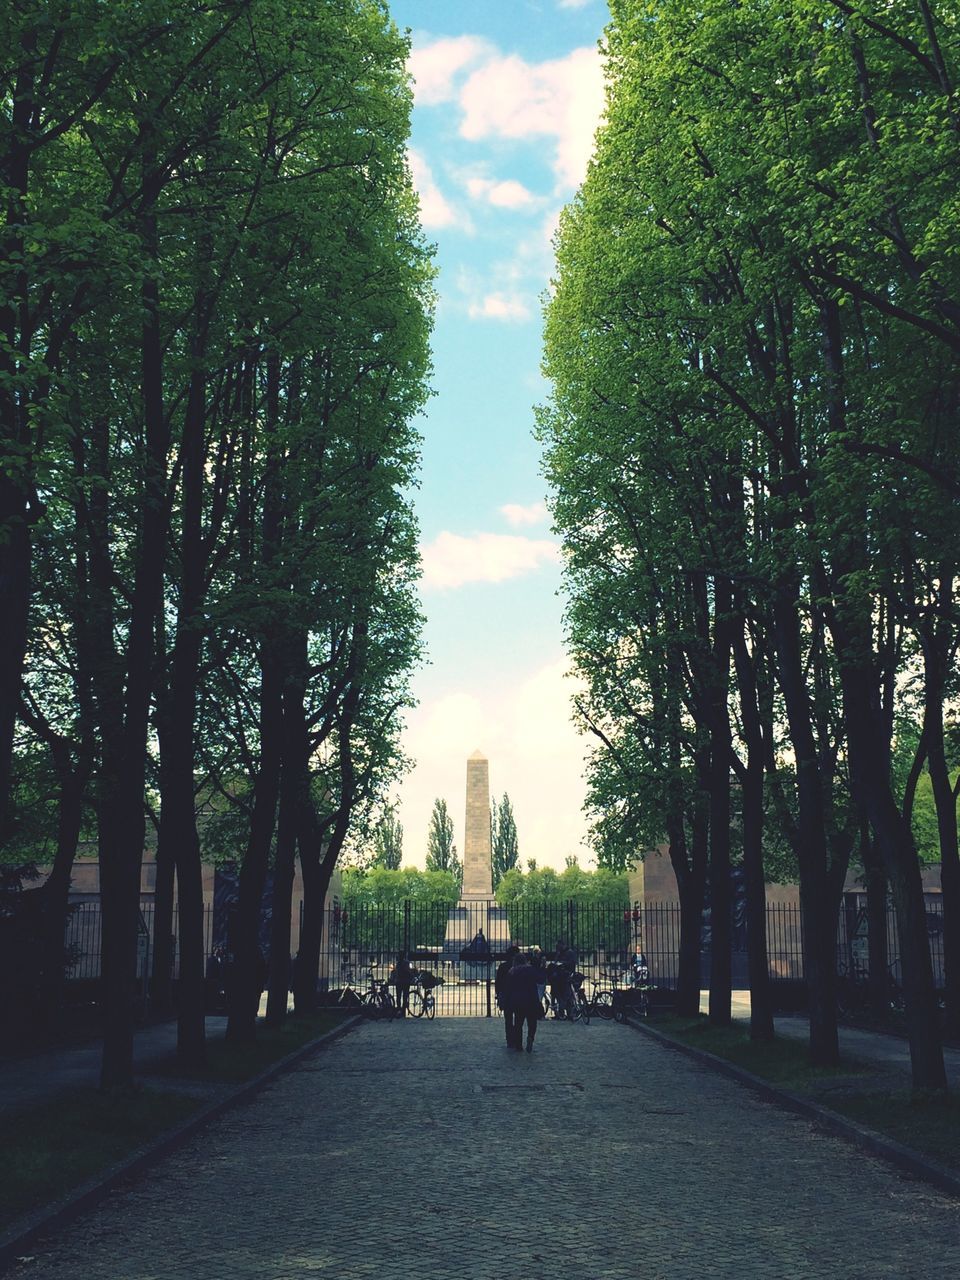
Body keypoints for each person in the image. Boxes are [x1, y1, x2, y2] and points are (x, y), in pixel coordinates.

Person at [505, 950, 543, 1052]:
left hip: (517, 1000)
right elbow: (540, 979)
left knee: (518, 1023)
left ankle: (518, 1045)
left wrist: (507, 1000)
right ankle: (530, 1037)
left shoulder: (512, 971)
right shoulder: (530, 969)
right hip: (531, 999)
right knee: (532, 1022)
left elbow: (508, 987)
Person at [495, 945, 521, 1048]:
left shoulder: (503, 966)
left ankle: (510, 1040)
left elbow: (498, 982)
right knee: (519, 1019)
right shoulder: (521, 968)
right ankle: (518, 1040)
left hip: (506, 995)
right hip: (519, 995)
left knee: (508, 1019)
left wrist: (498, 994)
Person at [392, 949, 413, 1016]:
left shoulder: (398, 963)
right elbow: (409, 971)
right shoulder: (407, 963)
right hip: (406, 981)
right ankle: (403, 1010)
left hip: (399, 981)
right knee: (405, 996)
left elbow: (396, 972)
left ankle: (399, 1010)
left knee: (398, 997)